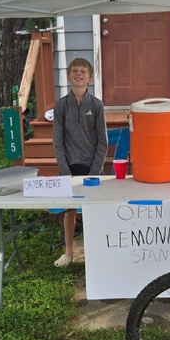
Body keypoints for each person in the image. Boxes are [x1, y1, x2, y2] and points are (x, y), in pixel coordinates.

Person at [51, 57, 108, 267]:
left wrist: (94, 171)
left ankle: (97, 251)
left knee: (95, 211)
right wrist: (65, 171)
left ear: (90, 78)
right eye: (74, 70)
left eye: (83, 71)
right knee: (70, 211)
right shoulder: (60, 106)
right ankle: (68, 252)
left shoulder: (97, 106)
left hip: (93, 167)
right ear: (68, 77)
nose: (78, 74)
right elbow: (57, 140)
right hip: (69, 168)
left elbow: (103, 141)